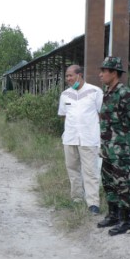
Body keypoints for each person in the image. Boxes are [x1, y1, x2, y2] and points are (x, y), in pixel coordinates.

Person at [97, 56, 130, 235]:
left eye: (104, 71)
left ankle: (127, 220)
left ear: (114, 73)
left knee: (123, 183)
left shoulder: (125, 93)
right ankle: (113, 215)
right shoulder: (107, 93)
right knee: (108, 181)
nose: (100, 74)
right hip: (108, 147)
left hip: (121, 147)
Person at [57, 65, 103, 214]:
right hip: (70, 138)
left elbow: (101, 114)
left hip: (89, 138)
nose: (68, 79)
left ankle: (93, 203)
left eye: (71, 75)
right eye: (67, 76)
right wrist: (68, 131)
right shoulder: (65, 95)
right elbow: (64, 116)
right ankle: (77, 198)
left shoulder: (95, 92)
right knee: (72, 169)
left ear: (80, 75)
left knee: (90, 171)